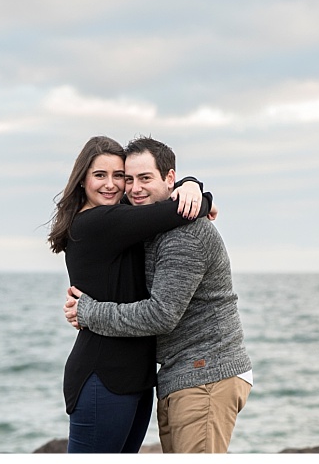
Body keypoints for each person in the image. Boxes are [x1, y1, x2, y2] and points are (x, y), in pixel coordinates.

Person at [65, 136, 252, 453]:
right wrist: (198, 195)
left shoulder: (181, 233)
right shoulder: (110, 220)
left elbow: (160, 315)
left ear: (169, 179)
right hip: (170, 375)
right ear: (82, 179)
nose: (130, 188)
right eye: (130, 179)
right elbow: (167, 212)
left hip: (203, 374)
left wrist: (193, 189)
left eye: (141, 178)